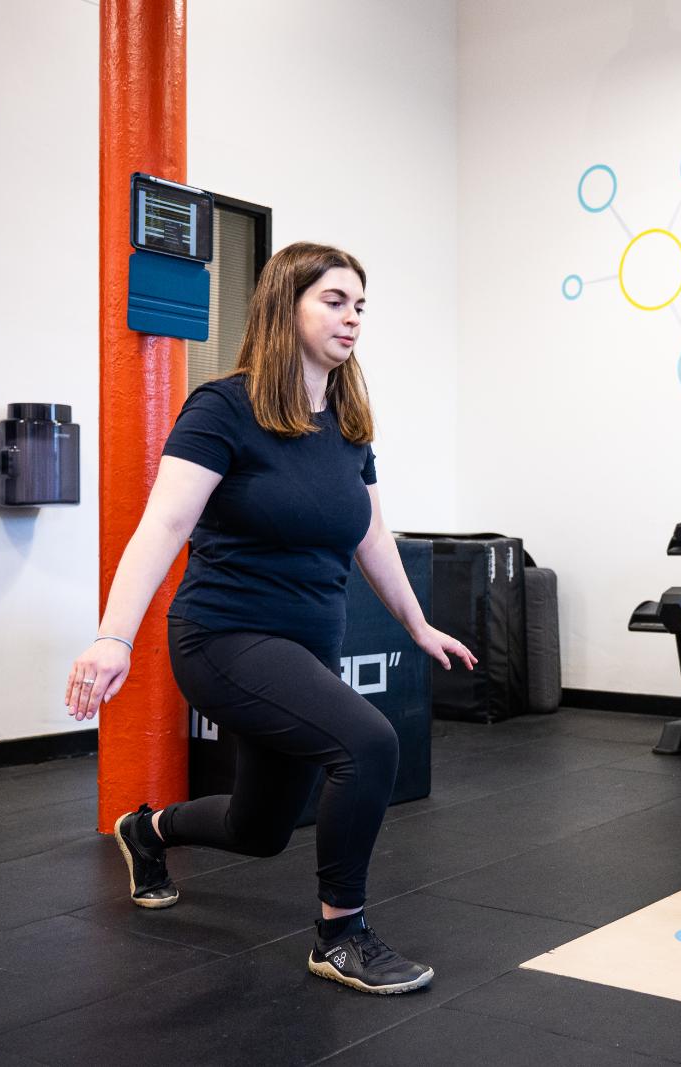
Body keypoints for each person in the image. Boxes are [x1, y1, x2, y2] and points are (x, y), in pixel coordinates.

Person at [63, 241, 476, 994]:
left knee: (261, 830)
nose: (352, 317)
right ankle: (341, 935)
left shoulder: (349, 422)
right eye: (334, 300)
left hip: (304, 646)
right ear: (285, 305)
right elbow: (162, 526)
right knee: (368, 742)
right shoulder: (225, 407)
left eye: (359, 305)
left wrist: (419, 625)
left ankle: (146, 830)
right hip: (223, 637)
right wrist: (112, 636)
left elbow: (372, 536)